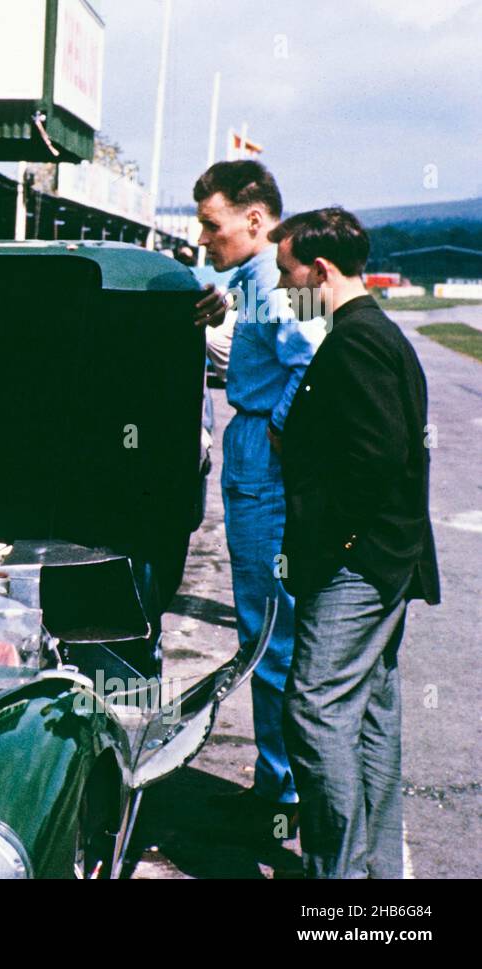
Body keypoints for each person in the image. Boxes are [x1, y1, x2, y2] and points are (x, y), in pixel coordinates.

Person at [272, 208, 439, 878]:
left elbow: (378, 455)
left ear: (318, 270)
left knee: (314, 709)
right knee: (369, 712)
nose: (284, 290)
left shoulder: (356, 341)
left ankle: (338, 880)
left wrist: (332, 539)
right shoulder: (370, 333)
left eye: (287, 275)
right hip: (380, 562)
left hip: (357, 565)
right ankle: (376, 879)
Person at [192, 160, 327, 835]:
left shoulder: (274, 283)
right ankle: (281, 779)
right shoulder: (255, 280)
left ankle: (284, 793)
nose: (204, 239)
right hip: (257, 443)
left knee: (270, 630)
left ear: (255, 217)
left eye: (212, 226)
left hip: (263, 459)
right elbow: (258, 361)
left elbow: (310, 362)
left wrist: (274, 432)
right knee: (268, 629)